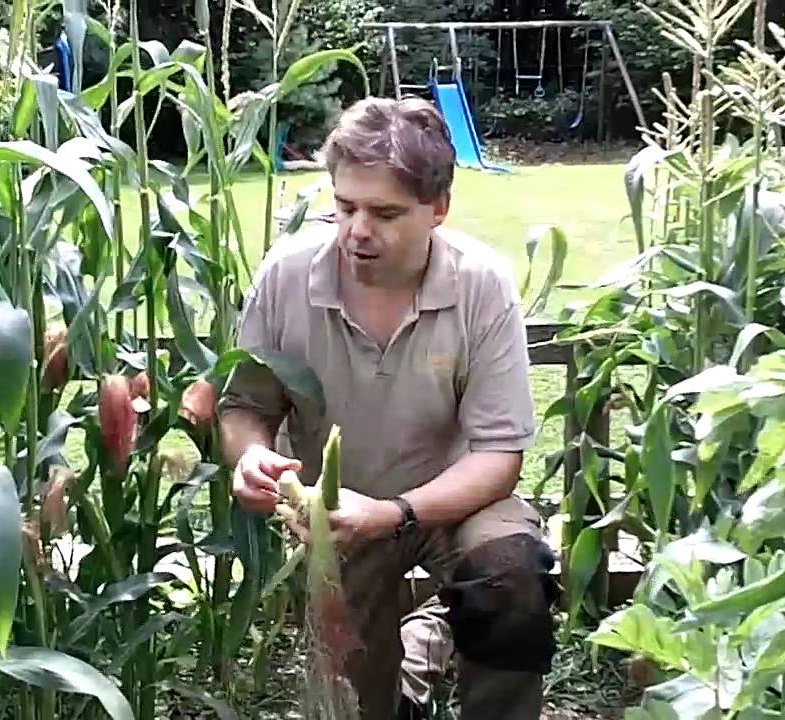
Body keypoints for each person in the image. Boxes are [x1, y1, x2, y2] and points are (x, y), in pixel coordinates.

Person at [219, 96, 560, 719]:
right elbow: (246, 406)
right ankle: (409, 678)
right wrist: (253, 457)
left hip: (454, 503)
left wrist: (394, 512)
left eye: (384, 213)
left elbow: (498, 456)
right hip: (335, 510)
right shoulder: (287, 275)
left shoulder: (481, 283)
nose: (357, 231)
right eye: (344, 206)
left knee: (512, 580)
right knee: (355, 698)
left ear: (438, 210)